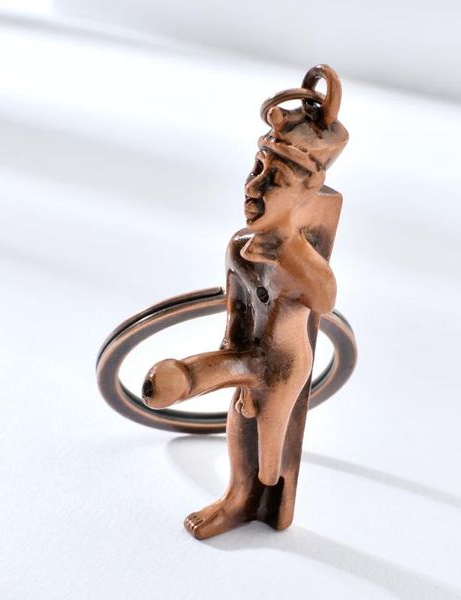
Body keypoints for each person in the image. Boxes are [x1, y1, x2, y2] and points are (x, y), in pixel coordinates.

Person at [142, 65, 348, 539]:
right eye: (256, 170)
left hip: (285, 363)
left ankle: (261, 488)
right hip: (248, 353)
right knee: (240, 418)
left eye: (273, 179)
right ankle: (238, 497)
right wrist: (229, 363)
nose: (253, 187)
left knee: (271, 457)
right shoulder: (239, 248)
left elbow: (325, 299)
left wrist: (291, 249)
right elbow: (236, 314)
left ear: (307, 190)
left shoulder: (301, 257)